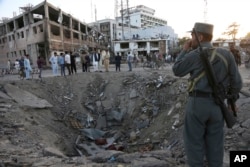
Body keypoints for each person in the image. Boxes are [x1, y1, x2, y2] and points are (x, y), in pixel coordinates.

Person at [172, 22, 243, 167]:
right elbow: (237, 83)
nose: (190, 39)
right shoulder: (226, 54)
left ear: (200, 36)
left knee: (194, 146)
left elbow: (177, 70)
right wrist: (231, 103)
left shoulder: (193, 54)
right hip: (217, 106)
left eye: (192, 35)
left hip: (197, 104)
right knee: (216, 147)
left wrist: (184, 51)